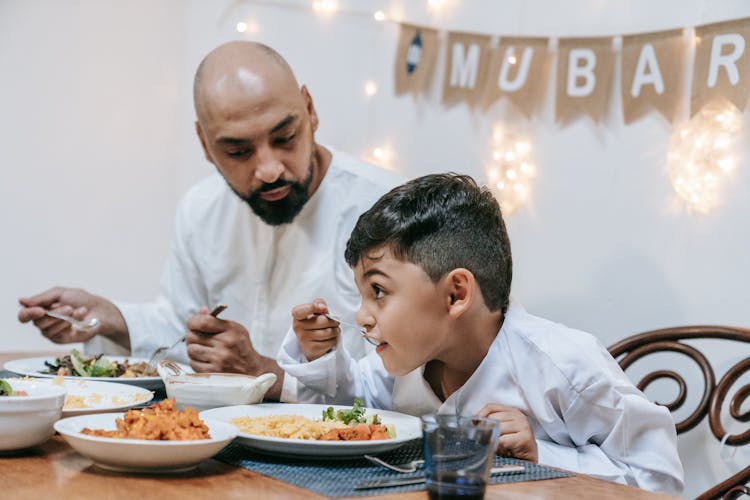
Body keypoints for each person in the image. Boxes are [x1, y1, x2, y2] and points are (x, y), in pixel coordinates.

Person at [17, 41, 403, 400]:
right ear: (204, 144)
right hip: (217, 445)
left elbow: (410, 385)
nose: (268, 169)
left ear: (310, 110)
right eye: (238, 151)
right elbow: (182, 331)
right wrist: (110, 318)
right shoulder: (201, 210)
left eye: (285, 137)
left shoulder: (390, 208)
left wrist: (265, 374)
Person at [278, 173, 684, 494]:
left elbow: (658, 479)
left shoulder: (563, 366)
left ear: (456, 294)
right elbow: (346, 413)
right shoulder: (404, 363)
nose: (362, 317)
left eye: (379, 292)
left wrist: (542, 453)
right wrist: (321, 356)